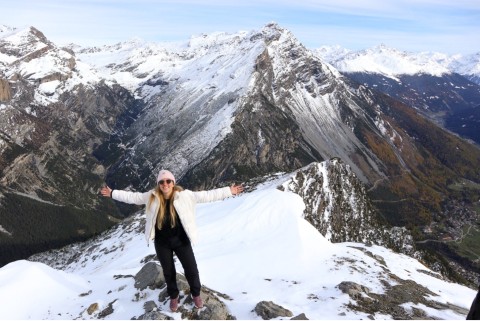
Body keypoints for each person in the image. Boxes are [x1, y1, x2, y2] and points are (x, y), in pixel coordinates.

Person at [100, 169, 244, 312]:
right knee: (169, 272)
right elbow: (133, 197)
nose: (165, 184)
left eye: (168, 181)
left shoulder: (185, 196)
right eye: (162, 182)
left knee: (191, 270)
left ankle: (196, 294)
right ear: (158, 184)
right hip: (162, 243)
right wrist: (113, 193)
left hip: (181, 240)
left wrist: (229, 191)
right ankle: (173, 297)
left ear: (173, 183)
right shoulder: (152, 196)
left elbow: (207, 195)